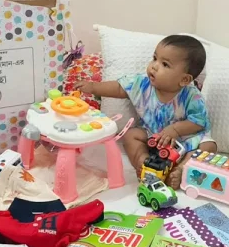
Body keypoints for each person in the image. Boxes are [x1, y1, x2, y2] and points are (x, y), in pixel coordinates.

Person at [75, 35, 217, 189]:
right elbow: (119, 88)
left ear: (184, 80)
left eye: (165, 64)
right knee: (131, 135)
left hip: (185, 140)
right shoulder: (142, 84)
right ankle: (144, 164)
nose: (154, 66)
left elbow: (199, 122)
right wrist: (93, 87)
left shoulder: (192, 96)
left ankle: (182, 169)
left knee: (209, 146)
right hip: (152, 136)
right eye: (155, 58)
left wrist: (175, 130)